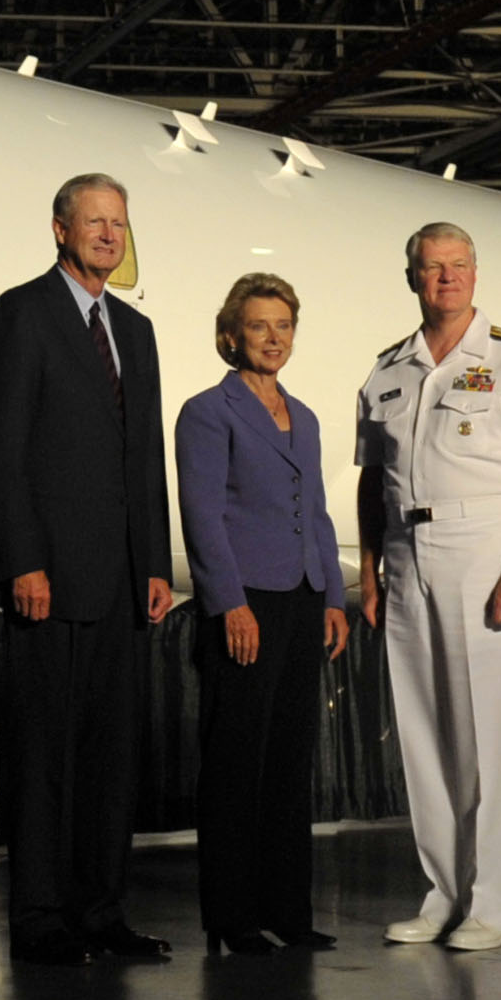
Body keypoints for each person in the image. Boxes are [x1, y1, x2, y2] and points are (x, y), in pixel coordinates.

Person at [0, 173, 176, 967]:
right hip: (49, 579)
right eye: (95, 222)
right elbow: (4, 447)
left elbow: (146, 459)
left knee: (108, 759)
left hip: (124, 581)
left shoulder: (137, 327)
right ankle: (41, 917)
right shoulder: (22, 312)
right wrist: (23, 557)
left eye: (119, 224)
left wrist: (156, 562)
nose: (108, 235)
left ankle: (101, 911)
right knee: (43, 756)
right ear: (60, 229)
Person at [356, 223, 501, 953]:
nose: (444, 278)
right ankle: (444, 893)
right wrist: (370, 568)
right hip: (405, 551)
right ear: (411, 276)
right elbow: (370, 478)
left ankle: (498, 903)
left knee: (493, 738)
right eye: (430, 267)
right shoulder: (389, 367)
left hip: (486, 549)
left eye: (457, 266)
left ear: (475, 274)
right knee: (424, 737)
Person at [174, 273, 351, 956]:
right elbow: (203, 515)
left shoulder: (301, 415)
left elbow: (321, 514)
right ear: (230, 336)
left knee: (288, 761)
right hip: (246, 601)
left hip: (303, 599)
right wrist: (230, 602)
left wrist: (334, 595)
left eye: (283, 326)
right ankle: (232, 916)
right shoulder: (207, 412)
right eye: (258, 326)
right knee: (235, 762)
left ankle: (289, 910)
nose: (273, 338)